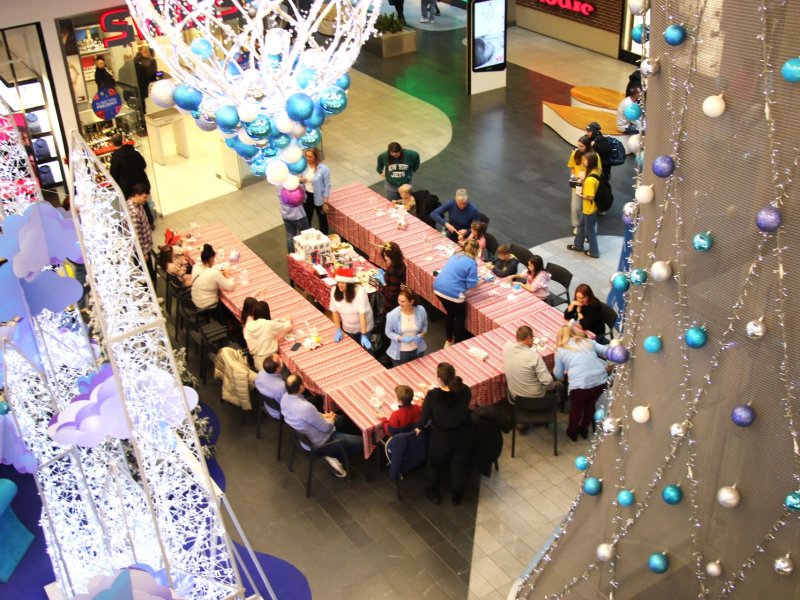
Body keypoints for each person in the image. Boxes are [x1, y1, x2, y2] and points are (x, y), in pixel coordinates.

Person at [281, 374, 363, 477]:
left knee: (343, 420)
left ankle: (340, 448)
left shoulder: (284, 398)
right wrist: (331, 419)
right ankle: (335, 454)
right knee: (361, 443)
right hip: (322, 442)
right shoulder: (305, 407)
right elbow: (326, 428)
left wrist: (324, 416)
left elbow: (309, 417)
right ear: (301, 387)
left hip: (307, 438)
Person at [415, 362, 473, 505]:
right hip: (461, 434)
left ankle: (432, 491)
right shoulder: (465, 390)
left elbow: (423, 419)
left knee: (434, 464)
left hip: (441, 439)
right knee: (459, 466)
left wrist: (418, 428)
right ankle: (456, 495)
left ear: (439, 379)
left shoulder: (432, 396)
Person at [553, 325, 609, 441]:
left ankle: (572, 433)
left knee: (576, 410)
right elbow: (606, 351)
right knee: (590, 405)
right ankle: (584, 429)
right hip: (600, 380)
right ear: (573, 333)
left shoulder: (559, 350)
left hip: (579, 385)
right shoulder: (588, 341)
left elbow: (558, 375)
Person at [433, 239, 482, 346]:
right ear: (477, 251)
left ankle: (448, 339)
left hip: (438, 287)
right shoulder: (472, 263)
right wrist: (482, 281)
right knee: (460, 316)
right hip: (453, 293)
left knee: (450, 313)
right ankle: (457, 342)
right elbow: (472, 285)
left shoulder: (456, 254)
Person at [503, 325, 555, 402]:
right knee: (559, 386)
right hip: (535, 399)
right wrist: (551, 389)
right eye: (532, 337)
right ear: (528, 338)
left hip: (515, 398)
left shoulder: (506, 347)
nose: (533, 340)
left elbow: (510, 342)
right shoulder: (534, 356)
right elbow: (548, 381)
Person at [566, 151, 601, 259]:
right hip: (591, 208)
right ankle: (578, 245)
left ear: (590, 162)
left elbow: (590, 196)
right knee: (581, 226)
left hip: (589, 208)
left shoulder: (590, 180)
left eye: (585, 160)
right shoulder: (596, 171)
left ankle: (594, 252)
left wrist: (580, 194)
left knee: (590, 231)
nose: (583, 161)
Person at [330, 267, 374, 350]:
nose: (340, 285)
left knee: (365, 350)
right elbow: (334, 312)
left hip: (364, 326)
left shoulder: (360, 292)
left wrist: (364, 334)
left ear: (349, 284)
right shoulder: (334, 291)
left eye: (343, 283)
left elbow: (362, 315)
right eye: (338, 282)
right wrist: (338, 329)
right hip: (348, 327)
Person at [110, 134, 151, 216]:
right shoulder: (134, 152)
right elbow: (143, 165)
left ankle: (137, 221)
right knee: (143, 203)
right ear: (122, 140)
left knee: (131, 207)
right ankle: (148, 219)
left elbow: (113, 175)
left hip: (127, 188)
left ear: (112, 143)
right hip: (141, 182)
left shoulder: (115, 158)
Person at [244, 301, 292, 370]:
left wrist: (278, 320)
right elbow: (287, 327)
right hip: (272, 363)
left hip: (256, 362)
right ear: (267, 312)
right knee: (288, 366)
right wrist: (288, 320)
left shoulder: (248, 325)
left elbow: (266, 325)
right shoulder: (268, 325)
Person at [385, 289, 428, 366]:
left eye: (403, 301)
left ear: (411, 302)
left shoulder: (421, 310)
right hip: (401, 353)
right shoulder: (392, 315)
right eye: (399, 300)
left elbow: (425, 325)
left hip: (418, 350)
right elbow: (388, 332)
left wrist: (423, 333)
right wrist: (400, 338)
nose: (399, 303)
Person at [566, 135, 598, 235]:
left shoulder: (594, 156)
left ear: (587, 146)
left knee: (589, 209)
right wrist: (573, 176)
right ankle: (577, 226)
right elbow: (572, 166)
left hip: (589, 185)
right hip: (577, 184)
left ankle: (591, 228)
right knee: (575, 207)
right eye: (578, 145)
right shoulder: (575, 153)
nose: (579, 148)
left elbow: (598, 170)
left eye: (581, 146)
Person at [190, 244, 234, 310]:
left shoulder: (196, 266)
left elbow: (206, 273)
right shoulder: (214, 273)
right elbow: (230, 287)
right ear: (211, 259)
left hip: (195, 299)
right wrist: (228, 276)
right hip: (207, 305)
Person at [299, 147, 331, 234]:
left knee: (322, 218)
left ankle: (324, 236)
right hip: (307, 196)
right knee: (307, 218)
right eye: (306, 156)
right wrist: (300, 180)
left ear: (315, 157)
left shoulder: (323, 169)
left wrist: (325, 202)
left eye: (310, 157)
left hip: (319, 197)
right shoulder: (304, 167)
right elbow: (300, 178)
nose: (308, 159)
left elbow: (327, 185)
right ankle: (308, 236)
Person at [127, 183, 154, 282]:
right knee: (148, 276)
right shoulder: (133, 213)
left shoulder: (138, 205)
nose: (145, 200)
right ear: (137, 195)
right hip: (141, 251)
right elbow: (137, 237)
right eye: (144, 197)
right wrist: (143, 253)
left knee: (150, 273)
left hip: (145, 248)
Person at [277, 185, 310, 253]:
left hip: (285, 215)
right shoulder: (296, 185)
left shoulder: (279, 186)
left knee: (290, 236)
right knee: (306, 235)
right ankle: (308, 253)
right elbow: (304, 198)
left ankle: (291, 254)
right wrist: (302, 185)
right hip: (299, 215)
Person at [255, 353, 286, 420]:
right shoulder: (281, 387)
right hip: (279, 413)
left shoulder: (260, 374)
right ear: (277, 369)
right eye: (280, 360)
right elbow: (286, 404)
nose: (281, 359)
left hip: (268, 404)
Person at [380, 242, 406, 313]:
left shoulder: (394, 271)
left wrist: (382, 289)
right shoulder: (401, 263)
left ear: (394, 256)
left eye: (388, 256)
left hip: (391, 304)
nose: (386, 258)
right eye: (385, 255)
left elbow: (393, 293)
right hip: (396, 300)